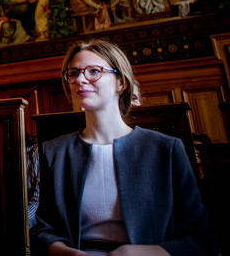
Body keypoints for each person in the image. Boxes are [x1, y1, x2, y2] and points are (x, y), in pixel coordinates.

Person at [32, 39, 217, 255]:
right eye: (73, 73)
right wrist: (67, 252)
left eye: (94, 71)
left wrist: (145, 253)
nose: (80, 79)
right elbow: (43, 231)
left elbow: (202, 240)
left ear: (121, 82)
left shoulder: (165, 149)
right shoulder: (53, 152)